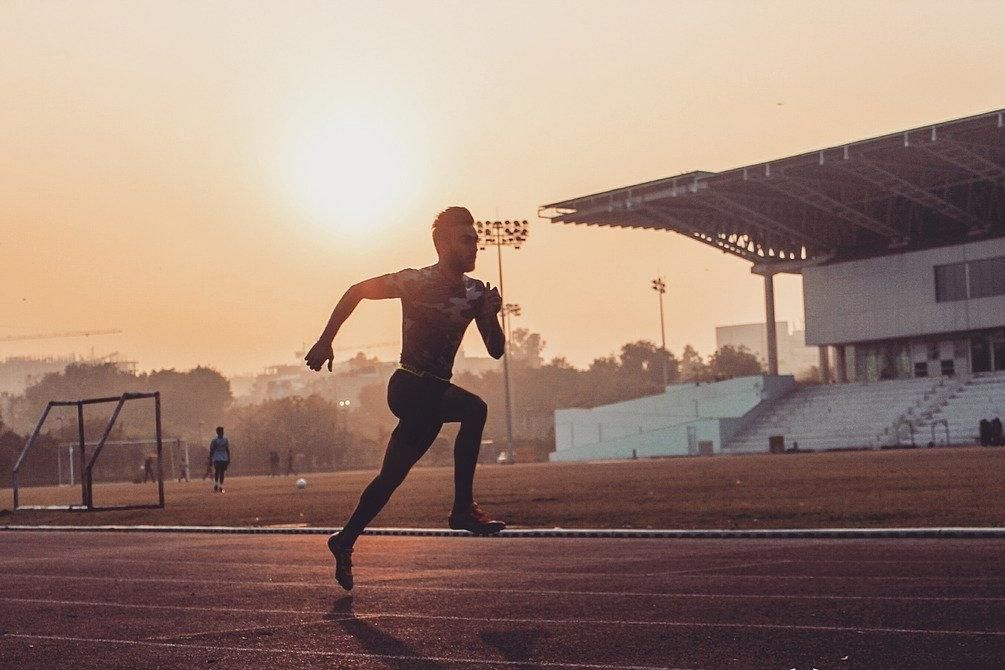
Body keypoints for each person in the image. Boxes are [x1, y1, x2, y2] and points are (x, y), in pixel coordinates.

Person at [305, 206, 507, 591]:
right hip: (409, 385)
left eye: (476, 240)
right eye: (466, 240)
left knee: (389, 479)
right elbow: (356, 291)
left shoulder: (476, 292)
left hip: (432, 400)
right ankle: (462, 508)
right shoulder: (414, 281)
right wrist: (326, 339)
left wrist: (490, 315)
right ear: (441, 243)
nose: (474, 247)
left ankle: (343, 540)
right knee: (475, 409)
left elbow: (495, 351)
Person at [208, 426, 231, 493]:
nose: (222, 433)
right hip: (216, 457)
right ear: (217, 432)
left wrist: (229, 457)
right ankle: (216, 484)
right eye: (220, 432)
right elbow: (211, 450)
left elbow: (227, 449)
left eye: (222, 431)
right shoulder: (214, 441)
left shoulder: (225, 440)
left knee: (222, 472)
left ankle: (221, 486)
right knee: (217, 471)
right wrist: (210, 458)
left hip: (224, 458)